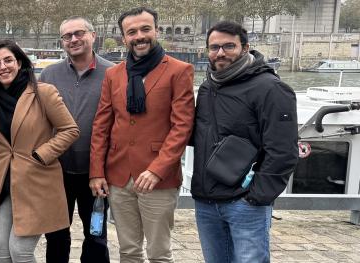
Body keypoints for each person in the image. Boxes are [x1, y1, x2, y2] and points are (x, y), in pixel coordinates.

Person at [89, 7, 195, 263]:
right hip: (118, 176)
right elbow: (102, 125)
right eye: (132, 32)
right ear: (124, 37)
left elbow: (182, 127)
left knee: (159, 253)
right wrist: (96, 172)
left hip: (158, 178)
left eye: (145, 29)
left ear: (156, 30)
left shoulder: (179, 71)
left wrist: (158, 169)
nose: (139, 36)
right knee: (128, 251)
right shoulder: (114, 74)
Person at [191, 20, 298, 263]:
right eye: (214, 47)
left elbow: (283, 151)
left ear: (246, 47)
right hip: (206, 201)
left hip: (244, 203)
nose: (220, 53)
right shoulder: (208, 87)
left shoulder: (271, 88)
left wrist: (256, 197)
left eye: (229, 46)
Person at [0, 40, 79, 263]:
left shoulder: (42, 92)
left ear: (20, 63)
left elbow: (70, 129)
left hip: (36, 180)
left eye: (8, 60)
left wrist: (41, 154)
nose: (2, 67)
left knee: (20, 250)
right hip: (3, 183)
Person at [38, 16, 113, 263]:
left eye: (79, 33)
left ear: (93, 36)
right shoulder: (49, 74)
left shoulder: (113, 74)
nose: (74, 39)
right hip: (57, 172)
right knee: (56, 236)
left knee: (96, 235)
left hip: (97, 173)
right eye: (67, 36)